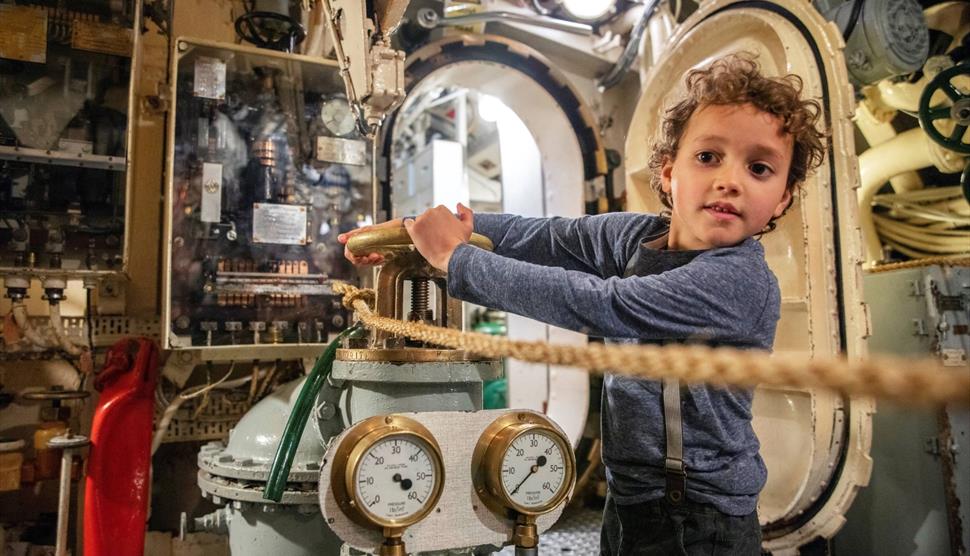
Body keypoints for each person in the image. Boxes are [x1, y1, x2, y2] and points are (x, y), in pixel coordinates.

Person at [338, 53, 826, 555]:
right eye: (708, 157)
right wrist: (415, 230)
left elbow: (605, 305)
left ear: (783, 198)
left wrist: (455, 259)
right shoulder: (637, 237)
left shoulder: (740, 280)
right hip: (631, 500)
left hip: (698, 519)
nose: (731, 180)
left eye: (760, 168)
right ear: (668, 173)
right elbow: (546, 238)